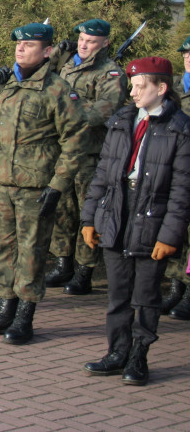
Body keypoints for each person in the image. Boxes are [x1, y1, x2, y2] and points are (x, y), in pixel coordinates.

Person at [0, 22, 86, 344]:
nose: (20, 48)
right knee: (2, 250)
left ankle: (24, 316)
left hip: (35, 187)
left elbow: (74, 141)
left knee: (31, 252)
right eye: (18, 44)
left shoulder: (57, 89)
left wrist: (58, 185)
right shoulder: (2, 83)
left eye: (29, 45)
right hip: (0, 181)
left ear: (46, 52)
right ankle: (5, 307)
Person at [80, 56, 190, 386]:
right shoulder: (122, 121)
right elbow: (103, 173)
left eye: (140, 86)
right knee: (118, 295)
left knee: (146, 296)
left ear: (162, 88)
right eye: (132, 85)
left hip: (152, 219)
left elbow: (182, 190)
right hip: (117, 212)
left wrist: (169, 235)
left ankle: (139, 354)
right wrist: (89, 217)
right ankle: (117, 351)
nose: (133, 92)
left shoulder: (180, 129)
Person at [46, 19, 128, 295]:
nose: (83, 44)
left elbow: (102, 112)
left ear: (104, 43)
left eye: (90, 41)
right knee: (62, 210)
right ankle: (62, 262)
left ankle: (85, 270)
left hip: (89, 154)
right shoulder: (67, 64)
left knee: (87, 213)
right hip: (62, 151)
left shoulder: (111, 74)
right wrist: (58, 51)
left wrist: (65, 110)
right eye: (81, 39)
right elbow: (44, 75)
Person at [165, 35, 190, 318]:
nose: (188, 58)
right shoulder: (173, 90)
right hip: (173, 168)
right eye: (185, 54)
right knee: (174, 229)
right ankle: (175, 287)